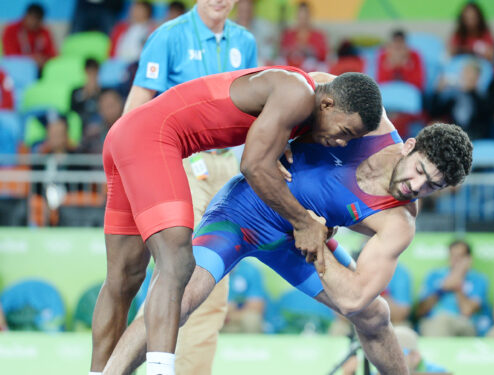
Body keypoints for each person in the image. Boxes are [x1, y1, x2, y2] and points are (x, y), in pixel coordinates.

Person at [100, 79, 473, 373]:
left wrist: (313, 240)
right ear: (409, 146)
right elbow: (305, 92)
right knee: (180, 299)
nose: (417, 187)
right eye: (421, 171)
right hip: (242, 216)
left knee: (374, 314)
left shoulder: (400, 220)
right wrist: (274, 136)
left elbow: (353, 297)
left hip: (298, 242)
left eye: (434, 186)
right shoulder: (369, 122)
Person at [92, 1, 259, 374]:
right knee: (178, 271)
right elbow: (137, 105)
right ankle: (128, 366)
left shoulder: (244, 42)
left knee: (212, 286)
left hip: (227, 165)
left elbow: (249, 112)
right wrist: (120, 174)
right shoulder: (168, 37)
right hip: (177, 157)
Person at [416, 239, 488, 337]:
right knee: (440, 321)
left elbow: (467, 311)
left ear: (469, 259)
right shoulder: (434, 275)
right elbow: (420, 311)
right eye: (453, 256)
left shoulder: (478, 279)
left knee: (444, 320)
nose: (456, 260)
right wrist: (441, 290)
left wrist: (457, 287)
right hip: (434, 322)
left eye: (460, 256)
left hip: (464, 325)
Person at [430, 61, 490, 140]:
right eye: (465, 73)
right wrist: (437, 92)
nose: (467, 77)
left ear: (477, 78)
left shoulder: (482, 98)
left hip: (474, 136)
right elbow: (435, 112)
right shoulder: (454, 95)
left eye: (470, 74)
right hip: (453, 134)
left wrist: (469, 92)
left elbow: (483, 122)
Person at [1, 3, 56, 70]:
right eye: (33, 18)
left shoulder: (44, 32)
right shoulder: (11, 30)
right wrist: (31, 59)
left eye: (39, 19)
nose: (35, 22)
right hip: (17, 69)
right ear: (25, 16)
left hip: (40, 69)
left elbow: (52, 55)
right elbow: (10, 55)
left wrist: (43, 60)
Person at [280, 1, 328, 72]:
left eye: (305, 16)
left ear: (309, 16)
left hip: (311, 73)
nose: (302, 20)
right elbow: (282, 53)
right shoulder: (289, 35)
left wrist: (309, 50)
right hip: (292, 71)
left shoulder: (318, 36)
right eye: (300, 16)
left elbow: (323, 56)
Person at [222, 259, 267, 333]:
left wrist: (227, 313)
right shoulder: (205, 268)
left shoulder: (250, 269)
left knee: (252, 319)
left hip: (235, 317)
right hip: (211, 318)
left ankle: (251, 344)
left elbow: (256, 306)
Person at [71, 58, 102, 129]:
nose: (92, 76)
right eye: (89, 72)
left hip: (98, 125)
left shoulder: (103, 92)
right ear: (85, 72)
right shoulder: (75, 91)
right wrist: (85, 94)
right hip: (81, 125)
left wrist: (96, 93)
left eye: (94, 73)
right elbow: (72, 111)